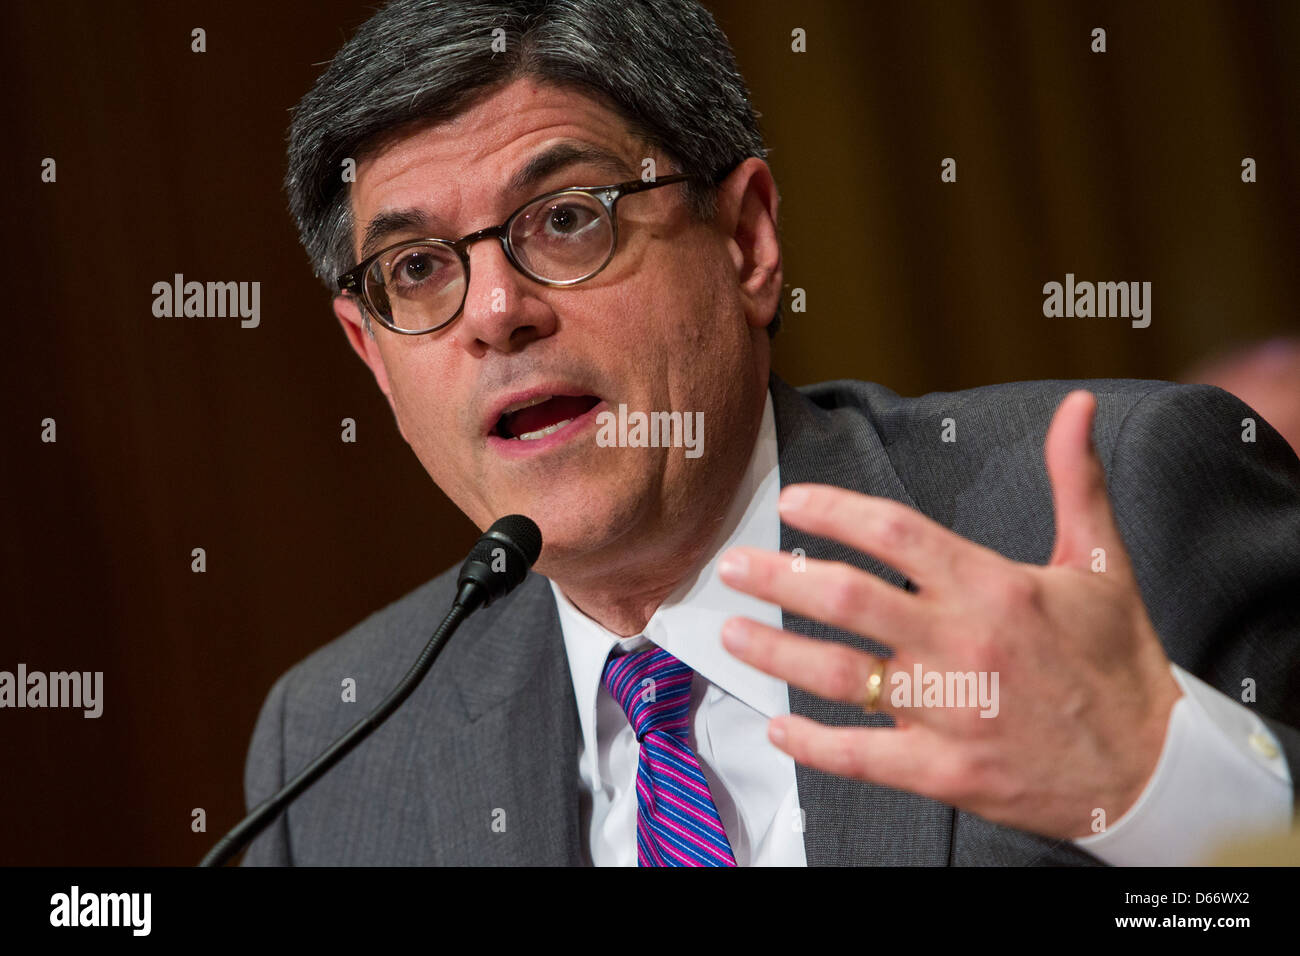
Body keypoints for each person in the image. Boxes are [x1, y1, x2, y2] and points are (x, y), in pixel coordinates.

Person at [242, 0, 1299, 866]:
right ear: (370, 355)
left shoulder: (1118, 501)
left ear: (747, 239)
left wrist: (1165, 790)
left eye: (565, 217)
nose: (494, 311)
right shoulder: (337, 751)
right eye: (416, 269)